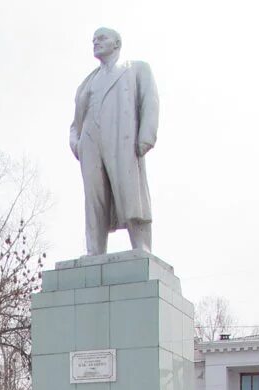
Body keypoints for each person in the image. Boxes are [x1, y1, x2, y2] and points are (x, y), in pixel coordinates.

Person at [70, 26, 159, 255]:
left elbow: (150, 102)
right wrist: (76, 141)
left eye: (102, 38)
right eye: (93, 39)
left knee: (131, 195)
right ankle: (95, 251)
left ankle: (141, 248)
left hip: (123, 138)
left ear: (116, 43)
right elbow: (76, 119)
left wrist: (145, 136)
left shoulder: (136, 69)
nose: (96, 42)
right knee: (94, 198)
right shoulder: (87, 82)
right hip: (91, 142)